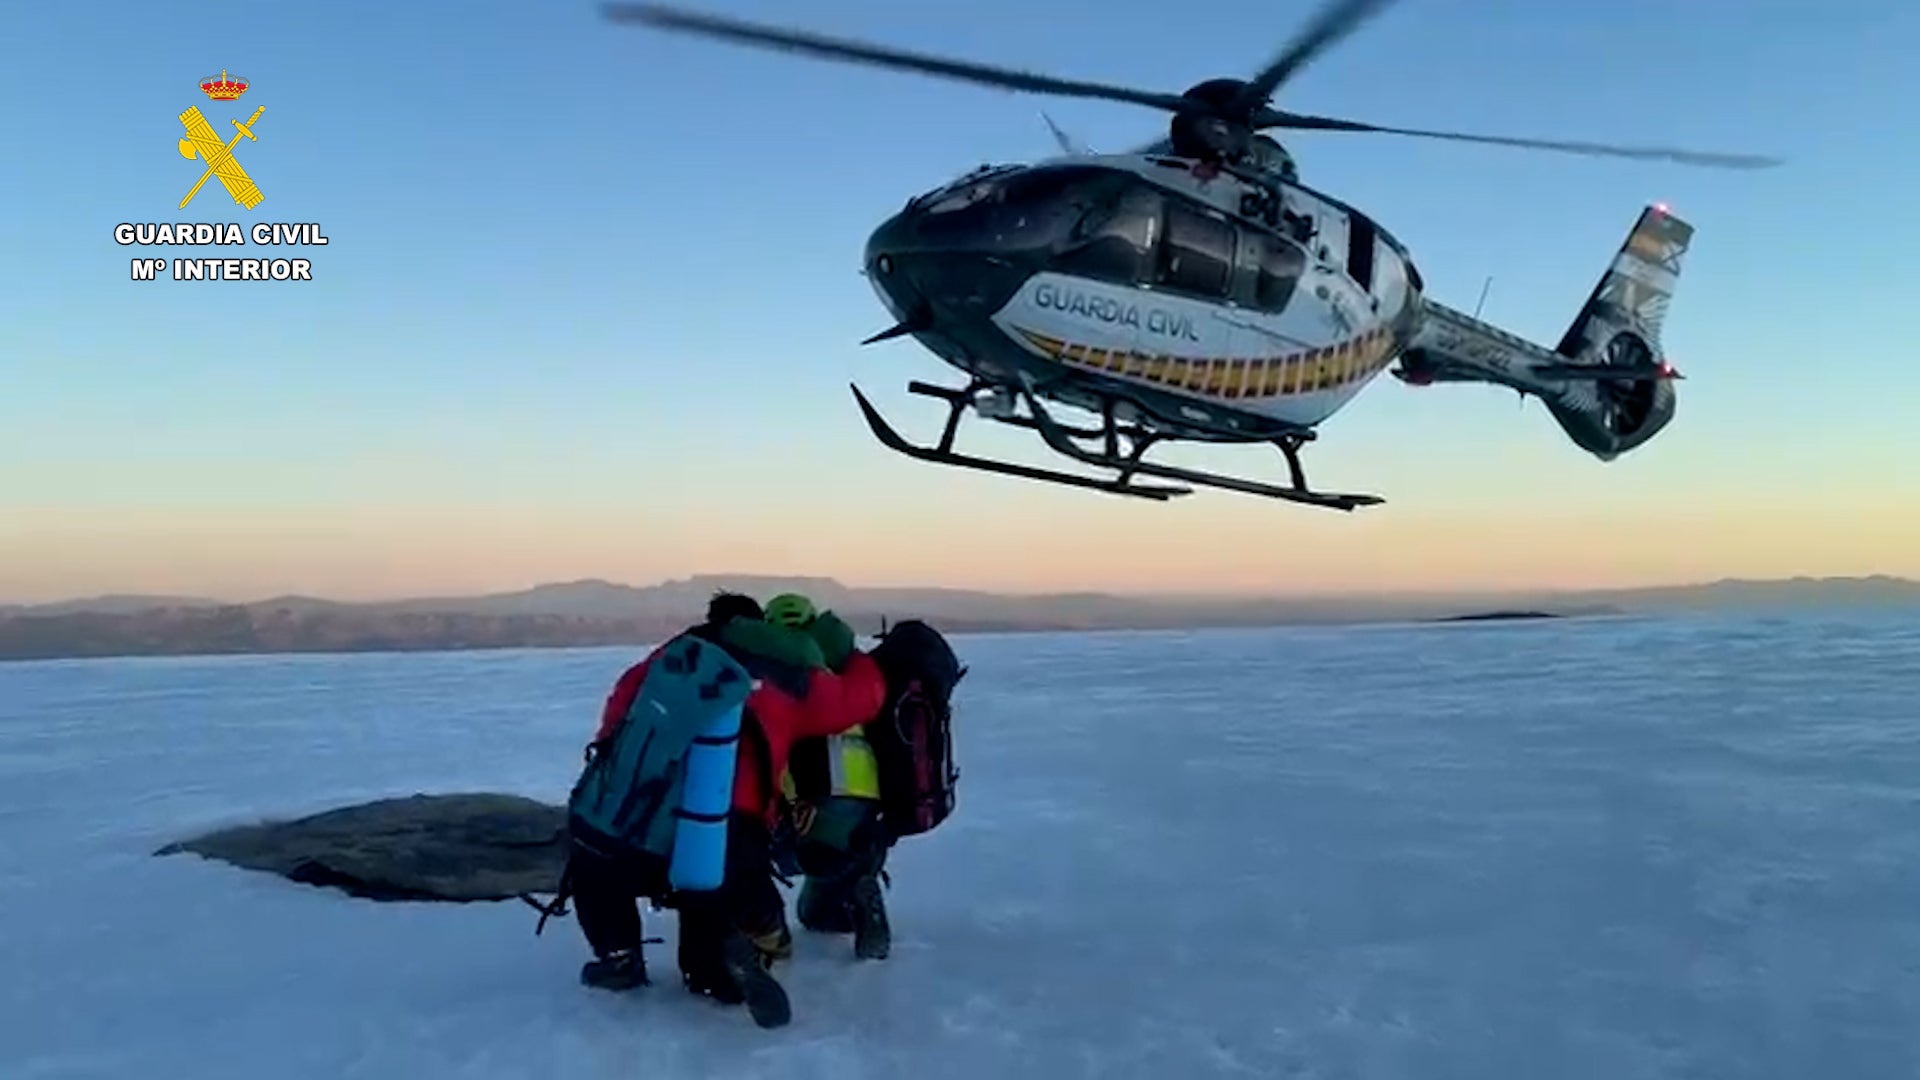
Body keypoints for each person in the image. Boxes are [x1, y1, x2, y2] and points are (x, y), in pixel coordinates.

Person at [564, 590, 888, 1029]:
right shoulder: (790, 674)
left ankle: (619, 957)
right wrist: (854, 655)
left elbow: (622, 706)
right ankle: (720, 969)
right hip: (732, 819)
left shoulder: (676, 654)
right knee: (711, 891)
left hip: (640, 811)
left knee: (596, 865)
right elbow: (860, 700)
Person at [767, 593, 896, 961]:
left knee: (775, 854)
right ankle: (858, 884)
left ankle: (758, 933)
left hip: (811, 791)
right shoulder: (851, 662)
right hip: (867, 788)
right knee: (816, 914)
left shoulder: (777, 669)